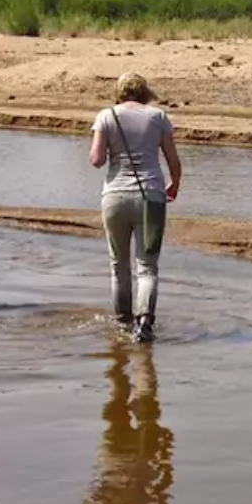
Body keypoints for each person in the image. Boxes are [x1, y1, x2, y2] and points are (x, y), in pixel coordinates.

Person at [89, 72, 182, 342]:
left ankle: (122, 325)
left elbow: (96, 160)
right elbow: (173, 161)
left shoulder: (106, 116)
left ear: (119, 92)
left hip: (114, 197)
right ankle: (144, 324)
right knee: (147, 266)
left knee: (119, 266)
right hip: (151, 196)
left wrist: (109, 148)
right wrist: (174, 184)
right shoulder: (158, 117)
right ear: (144, 93)